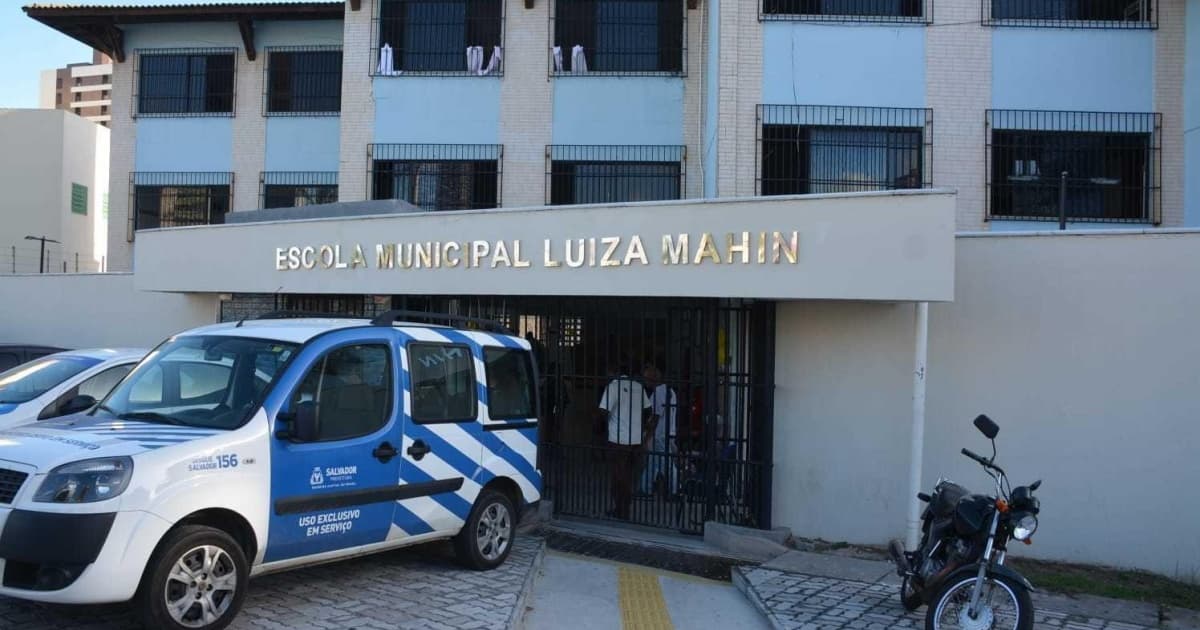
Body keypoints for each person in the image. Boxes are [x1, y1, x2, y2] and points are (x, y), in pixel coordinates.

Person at [597, 359, 651, 520]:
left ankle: (623, 510)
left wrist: (599, 427)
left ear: (613, 371)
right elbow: (648, 410)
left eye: (607, 372)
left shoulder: (613, 386)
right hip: (635, 440)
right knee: (627, 475)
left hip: (618, 439)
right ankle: (622, 508)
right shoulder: (638, 386)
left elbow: (603, 411)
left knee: (619, 476)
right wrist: (638, 425)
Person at [638, 364, 678, 498]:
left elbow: (655, 418)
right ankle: (645, 489)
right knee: (653, 463)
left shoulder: (659, 393)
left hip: (660, 434)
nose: (644, 381)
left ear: (652, 379)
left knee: (665, 464)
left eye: (646, 378)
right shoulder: (670, 391)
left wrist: (646, 437)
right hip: (667, 433)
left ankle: (675, 490)